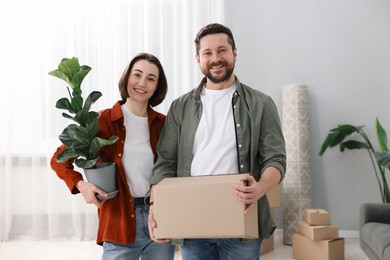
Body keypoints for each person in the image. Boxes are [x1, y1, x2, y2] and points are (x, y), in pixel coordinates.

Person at [148, 23, 286, 259]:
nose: (215, 58)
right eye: (207, 53)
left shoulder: (262, 104)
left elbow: (276, 159)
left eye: (222, 50)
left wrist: (260, 188)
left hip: (242, 220)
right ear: (198, 59)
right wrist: (156, 207)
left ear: (234, 53)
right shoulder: (180, 107)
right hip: (192, 220)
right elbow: (166, 162)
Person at [51, 53, 175, 260]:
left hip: (160, 219)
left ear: (157, 87)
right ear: (127, 78)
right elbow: (59, 159)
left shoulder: (165, 124)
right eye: (137, 75)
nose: (142, 83)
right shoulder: (101, 121)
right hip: (118, 220)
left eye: (151, 78)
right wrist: (81, 186)